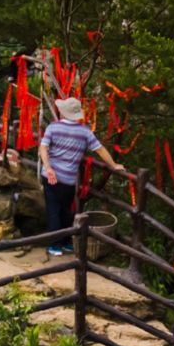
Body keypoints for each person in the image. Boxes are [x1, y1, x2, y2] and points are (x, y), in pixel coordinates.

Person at [39, 94, 117, 254]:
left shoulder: (53, 127)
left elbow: (43, 148)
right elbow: (100, 149)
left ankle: (55, 245)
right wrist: (114, 165)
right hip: (68, 179)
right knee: (67, 209)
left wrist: (48, 168)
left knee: (53, 210)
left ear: (63, 112)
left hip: (51, 175)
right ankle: (67, 241)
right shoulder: (85, 132)